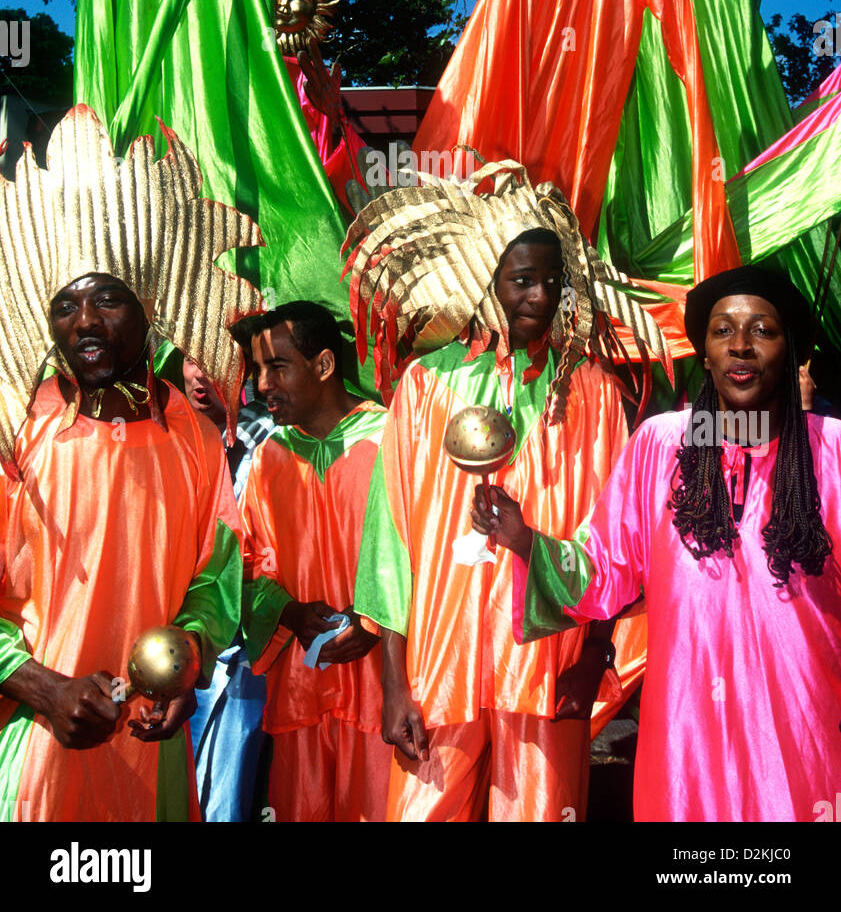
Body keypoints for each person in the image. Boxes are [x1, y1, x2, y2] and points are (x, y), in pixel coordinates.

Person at [346, 161, 668, 822]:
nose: (541, 297)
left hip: (548, 664)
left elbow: (614, 539)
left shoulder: (590, 391)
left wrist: (593, 656)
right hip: (440, 666)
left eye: (553, 281)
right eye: (523, 280)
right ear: (482, 283)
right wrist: (394, 685)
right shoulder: (425, 387)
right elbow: (389, 547)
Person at [474, 264, 841, 822]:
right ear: (706, 352)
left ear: (790, 350)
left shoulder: (831, 452)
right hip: (687, 744)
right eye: (722, 331)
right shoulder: (662, 444)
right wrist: (525, 540)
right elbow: (603, 568)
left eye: (762, 330)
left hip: (801, 737)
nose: (741, 345)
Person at [0, 106, 262, 822]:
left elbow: (217, 576)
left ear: (149, 306)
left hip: (151, 747)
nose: (84, 322)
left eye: (107, 299)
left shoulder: (193, 435)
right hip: (36, 750)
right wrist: (41, 687)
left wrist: (192, 653)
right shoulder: (17, 434)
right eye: (66, 306)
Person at [240, 301, 392, 822]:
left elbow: (427, 558)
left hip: (382, 685)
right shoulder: (270, 458)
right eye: (257, 370)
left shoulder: (391, 441)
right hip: (303, 689)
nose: (261, 385)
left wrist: (376, 622)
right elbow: (247, 565)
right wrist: (288, 611)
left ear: (324, 366)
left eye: (276, 367)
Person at [183, 357, 271, 823]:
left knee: (226, 797)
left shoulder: (273, 441)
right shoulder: (170, 435)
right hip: (177, 641)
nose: (201, 374)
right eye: (191, 359)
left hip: (246, 655)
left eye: (215, 356)